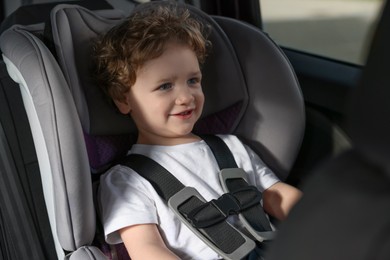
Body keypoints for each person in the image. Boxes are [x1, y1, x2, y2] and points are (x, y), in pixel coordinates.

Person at [94, 2, 302, 259]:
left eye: (193, 80)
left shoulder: (231, 147)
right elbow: (147, 249)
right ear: (124, 100)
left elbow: (274, 194)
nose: (186, 97)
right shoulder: (125, 180)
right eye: (165, 86)